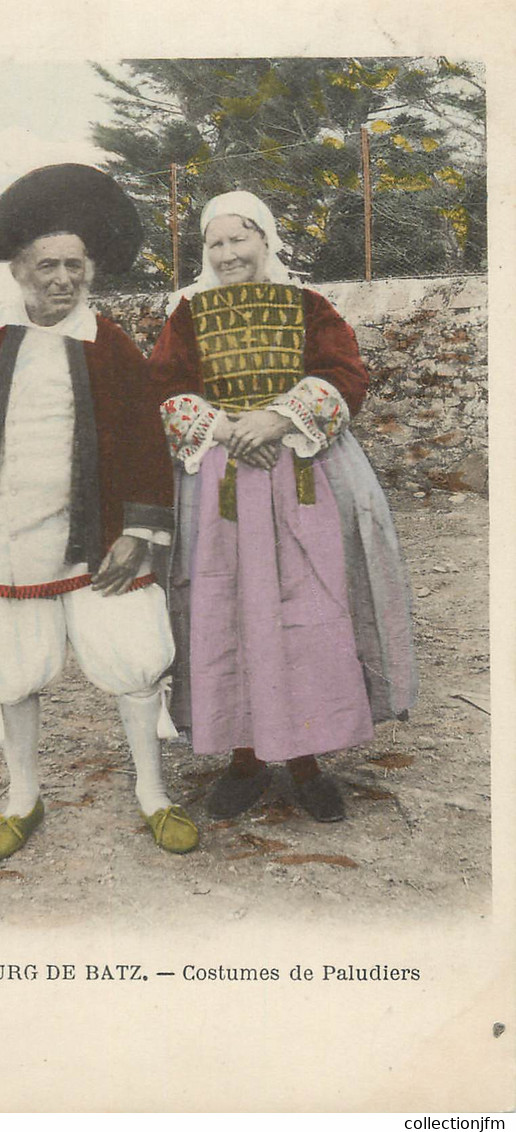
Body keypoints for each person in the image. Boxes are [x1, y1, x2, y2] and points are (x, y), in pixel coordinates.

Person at [0, 164, 198, 859]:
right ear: (19, 270)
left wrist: (141, 533)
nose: (61, 279)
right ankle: (23, 796)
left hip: (98, 539)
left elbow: (149, 444)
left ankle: (153, 793)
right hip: (6, 537)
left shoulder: (110, 344)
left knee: (133, 660)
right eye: (46, 266)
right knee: (9, 670)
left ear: (89, 271)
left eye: (74, 265)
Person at [149, 190, 417, 823]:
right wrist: (224, 428)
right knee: (227, 608)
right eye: (214, 242)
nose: (227, 252)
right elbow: (163, 386)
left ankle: (306, 759)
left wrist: (277, 418)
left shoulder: (309, 305)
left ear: (266, 240)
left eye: (240, 237)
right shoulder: (186, 313)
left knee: (310, 606)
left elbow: (344, 373)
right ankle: (243, 757)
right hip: (220, 484)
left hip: (304, 471)